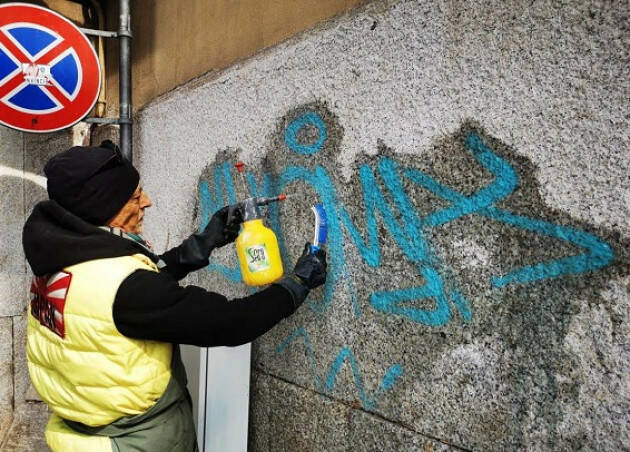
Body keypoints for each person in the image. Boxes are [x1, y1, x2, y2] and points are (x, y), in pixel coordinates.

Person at [22, 140, 327, 452]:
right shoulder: (126, 289)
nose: (148, 202)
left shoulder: (62, 260)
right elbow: (230, 322)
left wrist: (203, 243)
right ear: (103, 209)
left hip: (82, 432)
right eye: (134, 196)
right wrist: (296, 285)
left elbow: (128, 294)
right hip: (136, 442)